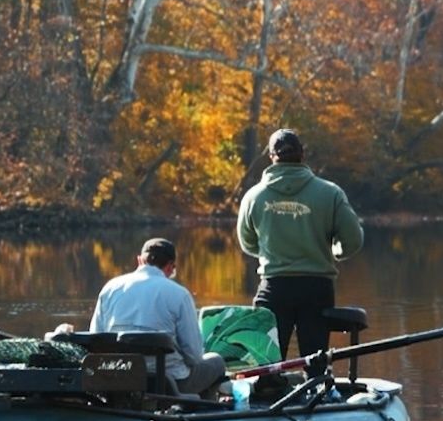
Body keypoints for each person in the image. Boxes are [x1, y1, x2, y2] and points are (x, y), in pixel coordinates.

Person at [235, 128, 364, 361]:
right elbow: (353, 240)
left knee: (267, 365)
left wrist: (270, 253)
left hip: (273, 287)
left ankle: (270, 390)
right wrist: (334, 252)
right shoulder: (330, 193)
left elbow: (247, 243)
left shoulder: (253, 197)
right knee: (316, 364)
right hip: (316, 288)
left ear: (271, 156)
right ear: (302, 154)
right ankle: (317, 391)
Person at [76, 238, 228, 398]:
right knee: (216, 361)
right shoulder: (179, 294)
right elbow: (194, 356)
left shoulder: (110, 288)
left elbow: (96, 339)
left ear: (140, 260)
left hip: (119, 378)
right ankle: (204, 410)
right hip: (168, 383)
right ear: (170, 267)